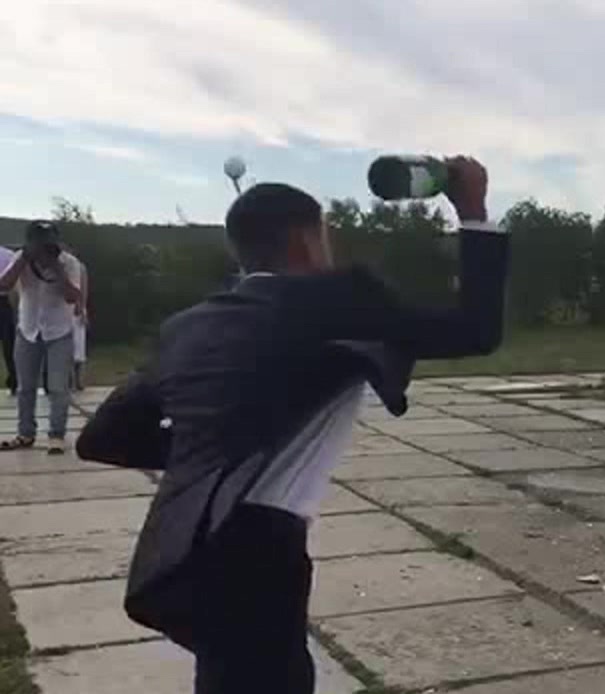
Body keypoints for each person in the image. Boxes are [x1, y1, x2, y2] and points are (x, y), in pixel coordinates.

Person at [75, 157, 509, 694]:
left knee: (231, 679)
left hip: (188, 545)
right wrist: (472, 210)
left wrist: (204, 452)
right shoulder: (335, 302)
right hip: (260, 549)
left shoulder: (189, 325)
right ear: (307, 241)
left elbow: (104, 437)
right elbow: (474, 330)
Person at [0, 222, 83, 454]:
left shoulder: (69, 262)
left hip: (59, 331)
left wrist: (57, 269)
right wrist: (23, 260)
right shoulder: (21, 259)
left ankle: (56, 435)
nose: (43, 250)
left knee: (58, 387)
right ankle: (25, 434)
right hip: (28, 329)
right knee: (25, 387)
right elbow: (4, 286)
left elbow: (72, 297)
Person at [0, 246, 17, 395]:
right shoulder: (9, 254)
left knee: (9, 343)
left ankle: (14, 378)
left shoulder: (8, 255)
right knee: (8, 343)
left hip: (4, 298)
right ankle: (14, 379)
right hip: (4, 300)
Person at [72, 262, 88, 391]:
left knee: (79, 349)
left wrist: (82, 307)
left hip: (77, 311)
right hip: (61, 312)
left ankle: (78, 380)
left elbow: (84, 289)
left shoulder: (80, 267)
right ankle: (69, 380)